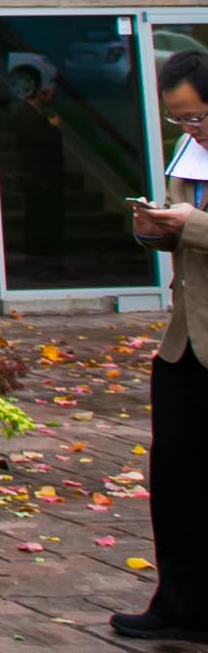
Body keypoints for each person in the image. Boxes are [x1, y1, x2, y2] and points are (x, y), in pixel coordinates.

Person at [115, 48, 208, 643]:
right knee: (176, 476)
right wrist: (154, 229)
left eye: (196, 117)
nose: (189, 128)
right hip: (185, 340)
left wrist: (188, 225)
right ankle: (179, 603)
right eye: (178, 119)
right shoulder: (189, 153)